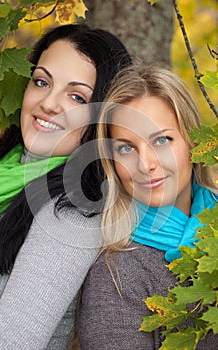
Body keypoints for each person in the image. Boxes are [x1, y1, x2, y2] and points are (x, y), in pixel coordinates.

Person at [0, 24, 132, 349]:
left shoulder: (73, 213)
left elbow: (7, 345)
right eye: (41, 81)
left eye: (77, 96)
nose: (49, 103)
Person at [77, 65, 218, 349]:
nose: (146, 165)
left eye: (162, 140)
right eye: (126, 148)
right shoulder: (117, 274)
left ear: (192, 141)